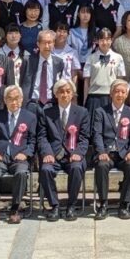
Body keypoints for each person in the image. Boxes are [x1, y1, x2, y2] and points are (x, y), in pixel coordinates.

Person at [38, 78, 90, 222]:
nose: (65, 95)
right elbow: (42, 137)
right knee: (45, 170)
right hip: (53, 155)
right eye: (61, 92)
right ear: (56, 94)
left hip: (73, 154)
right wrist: (47, 153)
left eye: (68, 91)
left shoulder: (82, 112)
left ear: (73, 94)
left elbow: (85, 138)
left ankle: (71, 206)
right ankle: (54, 206)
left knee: (76, 168)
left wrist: (79, 153)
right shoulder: (46, 113)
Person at [0, 85, 38, 224]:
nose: (13, 102)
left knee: (21, 173)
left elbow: (33, 141)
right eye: (10, 99)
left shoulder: (30, 117)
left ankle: (15, 208)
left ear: (21, 99)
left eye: (16, 99)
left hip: (19, 157)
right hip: (0, 156)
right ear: (4, 100)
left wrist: (26, 154)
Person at [91, 80, 130, 220]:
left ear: (126, 95)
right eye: (117, 91)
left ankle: (124, 205)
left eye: (123, 92)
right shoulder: (101, 112)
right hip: (107, 153)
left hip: (124, 153)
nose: (119, 94)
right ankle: (103, 204)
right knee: (101, 166)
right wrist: (101, 152)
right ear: (111, 94)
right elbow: (97, 134)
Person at [21, 30, 66, 111]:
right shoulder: (27, 60)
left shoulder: (59, 62)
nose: (47, 46)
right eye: (44, 42)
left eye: (50, 42)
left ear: (54, 44)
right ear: (38, 44)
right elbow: (20, 81)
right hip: (31, 103)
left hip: (51, 104)